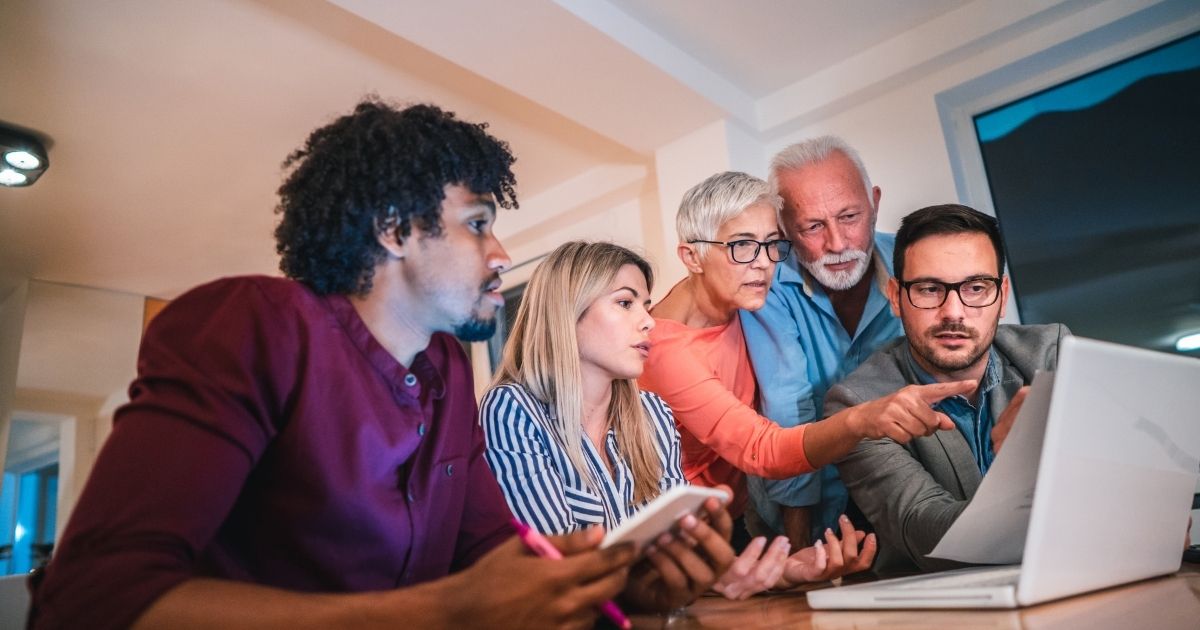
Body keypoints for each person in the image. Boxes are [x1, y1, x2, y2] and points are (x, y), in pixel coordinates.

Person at [29, 100, 640, 630]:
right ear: (394, 229)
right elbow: (91, 602)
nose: (502, 255)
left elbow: (490, 554)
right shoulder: (254, 325)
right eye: (478, 224)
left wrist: (628, 581)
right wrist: (443, 616)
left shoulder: (450, 370)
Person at [641, 172, 985, 597]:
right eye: (743, 246)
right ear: (692, 258)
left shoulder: (737, 300)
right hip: (684, 535)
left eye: (771, 244)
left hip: (737, 512)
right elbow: (761, 449)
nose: (764, 262)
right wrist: (861, 420)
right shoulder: (664, 348)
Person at [481, 241, 738, 609]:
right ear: (567, 312)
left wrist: (738, 572)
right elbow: (559, 572)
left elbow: (680, 550)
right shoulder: (513, 410)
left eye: (646, 306)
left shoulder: (654, 415)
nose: (649, 321)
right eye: (625, 302)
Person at [829, 204, 1070, 573]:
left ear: (1002, 296)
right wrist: (1024, 468)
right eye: (929, 289)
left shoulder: (1051, 354)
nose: (953, 312)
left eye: (976, 288)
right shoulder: (857, 406)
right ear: (896, 297)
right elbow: (928, 534)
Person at [741, 136, 904, 548]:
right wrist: (800, 549)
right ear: (784, 231)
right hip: (806, 510)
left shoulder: (913, 263)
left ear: (875, 203)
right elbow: (787, 405)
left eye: (850, 216)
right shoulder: (767, 284)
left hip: (907, 491)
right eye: (812, 227)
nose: (837, 243)